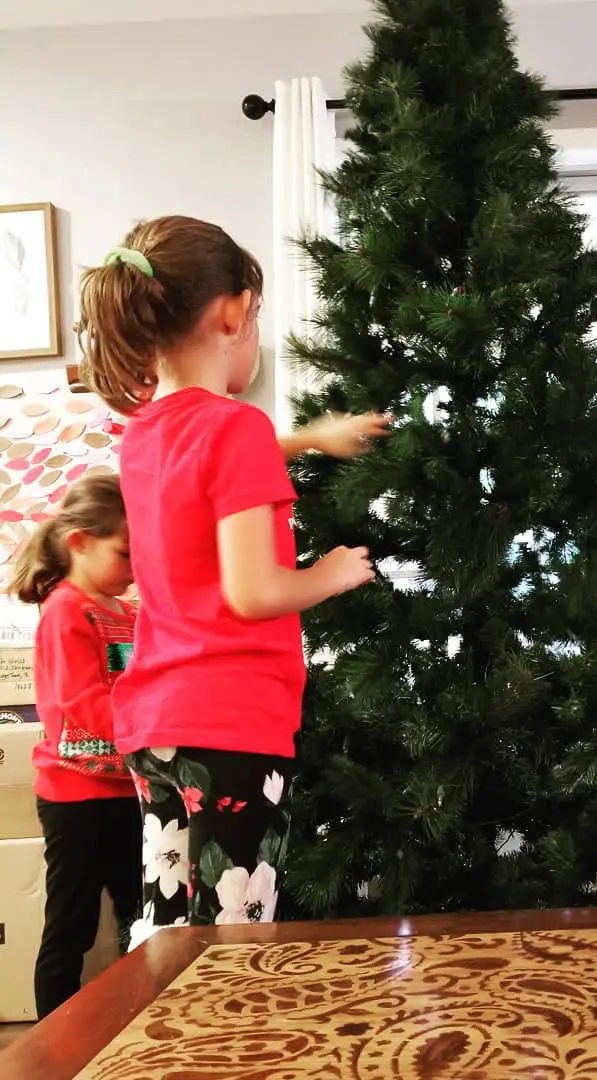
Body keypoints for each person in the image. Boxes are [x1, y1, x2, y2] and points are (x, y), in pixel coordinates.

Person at [76, 215, 389, 936]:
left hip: (157, 725)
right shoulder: (237, 430)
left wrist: (312, 438)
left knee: (167, 923)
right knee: (232, 932)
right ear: (232, 312)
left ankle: (152, 1046)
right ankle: (221, 1053)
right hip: (232, 725)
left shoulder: (145, 433)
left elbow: (212, 455)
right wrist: (331, 573)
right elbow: (255, 592)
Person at [10, 474, 141, 1017]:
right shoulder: (66, 609)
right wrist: (149, 726)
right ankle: (52, 1049)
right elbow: (84, 700)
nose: (134, 567)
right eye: (126, 553)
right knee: (73, 924)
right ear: (80, 542)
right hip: (75, 797)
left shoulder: (123, 610)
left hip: (124, 789)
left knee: (142, 916)